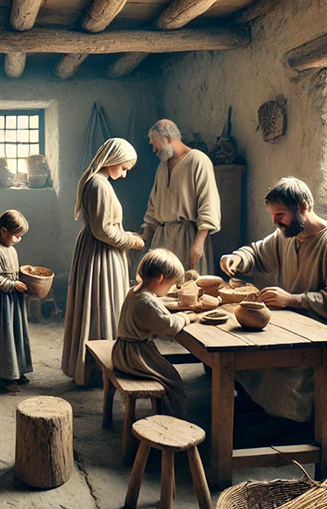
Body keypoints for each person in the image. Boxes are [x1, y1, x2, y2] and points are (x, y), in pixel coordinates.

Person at [219, 177, 327, 422]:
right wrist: (237, 258)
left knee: (285, 368)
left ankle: (289, 423)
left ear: (303, 207)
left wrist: (293, 300)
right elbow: (256, 252)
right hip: (294, 325)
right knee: (241, 350)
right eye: (273, 216)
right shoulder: (286, 234)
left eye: (281, 215)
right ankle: (257, 408)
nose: (276, 222)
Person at [61, 137, 146, 384]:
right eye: (124, 167)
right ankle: (98, 369)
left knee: (103, 305)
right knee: (101, 305)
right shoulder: (98, 185)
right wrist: (130, 241)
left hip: (102, 250)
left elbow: (105, 225)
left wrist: (126, 234)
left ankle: (99, 367)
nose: (125, 174)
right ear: (113, 160)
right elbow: (103, 231)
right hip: (100, 254)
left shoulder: (100, 182)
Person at [113, 248, 201, 416]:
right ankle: (172, 417)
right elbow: (169, 327)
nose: (172, 288)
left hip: (123, 350)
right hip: (134, 355)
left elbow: (156, 303)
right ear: (161, 279)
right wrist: (186, 317)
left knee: (168, 372)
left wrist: (179, 307)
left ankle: (164, 412)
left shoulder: (136, 291)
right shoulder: (146, 301)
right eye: (171, 284)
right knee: (173, 380)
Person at [142, 119, 221, 274]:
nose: (153, 150)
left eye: (155, 144)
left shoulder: (198, 160)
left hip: (188, 237)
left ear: (168, 138)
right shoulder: (162, 166)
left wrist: (199, 242)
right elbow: (154, 204)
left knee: (188, 287)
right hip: (163, 238)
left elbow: (208, 202)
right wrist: (145, 235)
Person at [0, 210, 33, 393]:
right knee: (5, 336)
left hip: (14, 300)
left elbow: (14, 271)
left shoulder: (11, 249)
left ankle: (16, 371)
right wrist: (12, 285)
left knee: (16, 333)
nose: (18, 240)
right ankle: (4, 376)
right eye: (16, 236)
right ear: (4, 230)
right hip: (3, 300)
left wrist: (24, 278)